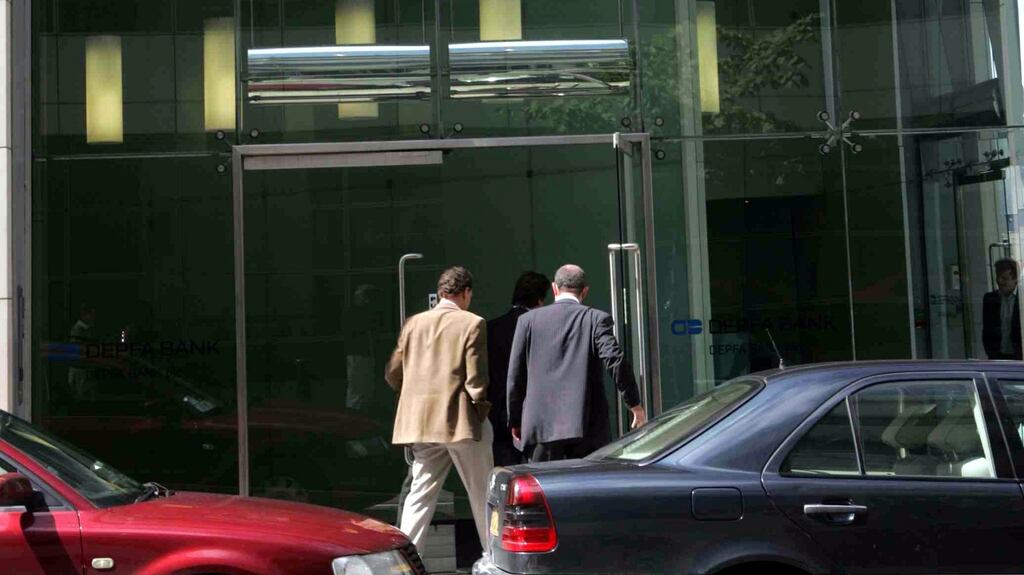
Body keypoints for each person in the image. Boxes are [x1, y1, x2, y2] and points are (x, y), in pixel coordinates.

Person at [385, 266, 493, 552]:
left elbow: (393, 373)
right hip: (461, 421)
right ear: (466, 293)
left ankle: (405, 562)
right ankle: (495, 559)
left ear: (442, 291)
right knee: (482, 493)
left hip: (422, 424)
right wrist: (481, 410)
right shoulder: (473, 323)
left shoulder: (413, 323)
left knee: (420, 495)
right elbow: (476, 380)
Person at [507, 264, 647, 463]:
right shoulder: (596, 319)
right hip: (586, 425)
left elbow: (515, 376)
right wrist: (635, 404)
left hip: (541, 427)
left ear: (555, 288)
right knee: (585, 489)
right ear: (585, 291)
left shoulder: (527, 321)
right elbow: (615, 360)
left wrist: (515, 420)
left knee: (543, 489)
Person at [486, 271, 549, 467]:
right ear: (539, 300)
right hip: (534, 414)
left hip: (497, 413)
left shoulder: (491, 328)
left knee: (503, 476)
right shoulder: (542, 328)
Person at [983, 258, 1022, 360]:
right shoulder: (990, 299)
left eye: (1004, 278)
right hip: (997, 356)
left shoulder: (1022, 298)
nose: (1000, 281)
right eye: (998, 277)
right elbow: (987, 330)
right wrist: (991, 353)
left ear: (1015, 279)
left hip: (1019, 357)